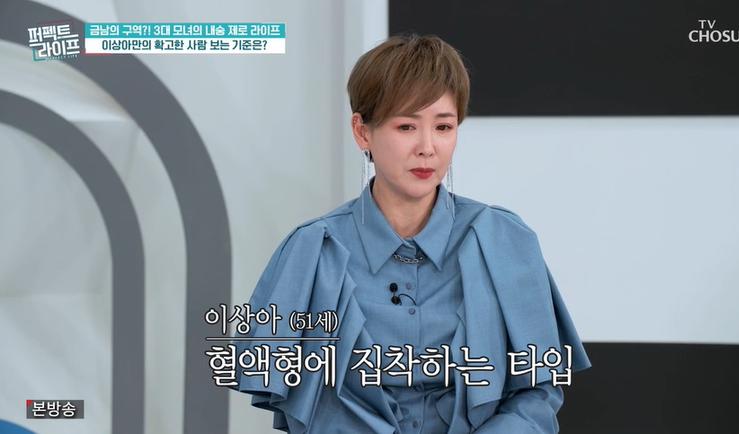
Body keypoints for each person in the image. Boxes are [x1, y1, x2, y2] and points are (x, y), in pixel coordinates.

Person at [231, 34, 591, 433]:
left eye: (444, 126)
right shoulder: (312, 251)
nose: (427, 147)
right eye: (406, 126)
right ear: (362, 132)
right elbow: (299, 404)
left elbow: (538, 392)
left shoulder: (504, 240)